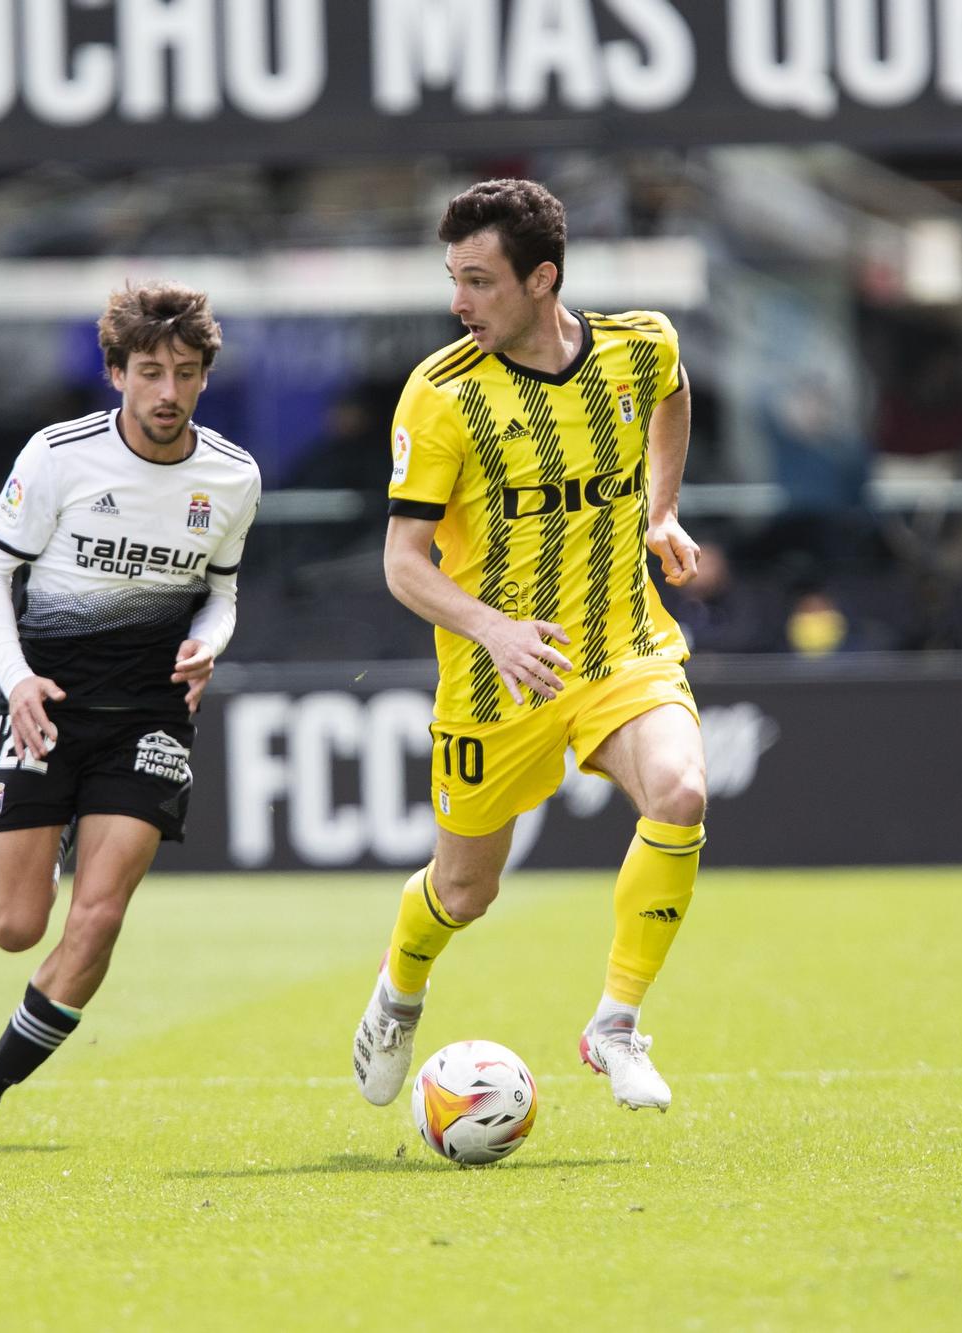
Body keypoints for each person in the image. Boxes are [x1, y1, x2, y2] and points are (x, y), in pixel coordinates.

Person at [350, 179, 708, 1114]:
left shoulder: (639, 346)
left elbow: (671, 394)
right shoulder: (441, 395)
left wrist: (660, 508)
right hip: (493, 673)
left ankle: (616, 1025)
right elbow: (402, 561)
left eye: (478, 280)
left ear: (542, 278)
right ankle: (398, 994)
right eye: (452, 278)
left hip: (620, 647)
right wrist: (495, 629)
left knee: (681, 791)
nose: (457, 302)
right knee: (465, 892)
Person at [0, 283, 260, 1149]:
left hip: (151, 718)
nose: (166, 390)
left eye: (185, 374)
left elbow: (222, 595)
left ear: (202, 380)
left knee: (101, 914)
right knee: (16, 928)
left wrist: (210, 641)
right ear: (116, 372)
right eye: (149, 371)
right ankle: (49, 833)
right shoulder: (58, 456)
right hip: (47, 706)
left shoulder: (233, 476)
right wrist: (15, 681)